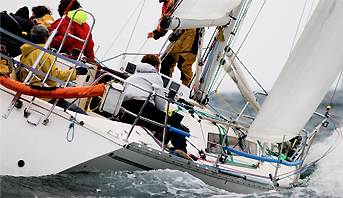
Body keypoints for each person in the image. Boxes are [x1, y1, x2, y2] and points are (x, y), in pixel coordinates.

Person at [120, 54, 189, 155]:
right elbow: (160, 106)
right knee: (175, 124)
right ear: (156, 66)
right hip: (143, 109)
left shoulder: (132, 77)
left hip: (125, 112)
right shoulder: (156, 77)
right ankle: (181, 150)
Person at [19, 24, 87, 114]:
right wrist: (77, 72)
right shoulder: (45, 54)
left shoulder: (26, 52)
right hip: (44, 96)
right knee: (80, 113)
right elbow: (55, 75)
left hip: (32, 91)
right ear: (45, 39)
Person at [147, 0, 199, 87]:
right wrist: (155, 33)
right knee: (167, 61)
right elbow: (164, 22)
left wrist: (174, 3)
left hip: (191, 30)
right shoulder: (166, 5)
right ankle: (163, 88)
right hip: (178, 32)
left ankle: (186, 89)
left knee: (184, 63)